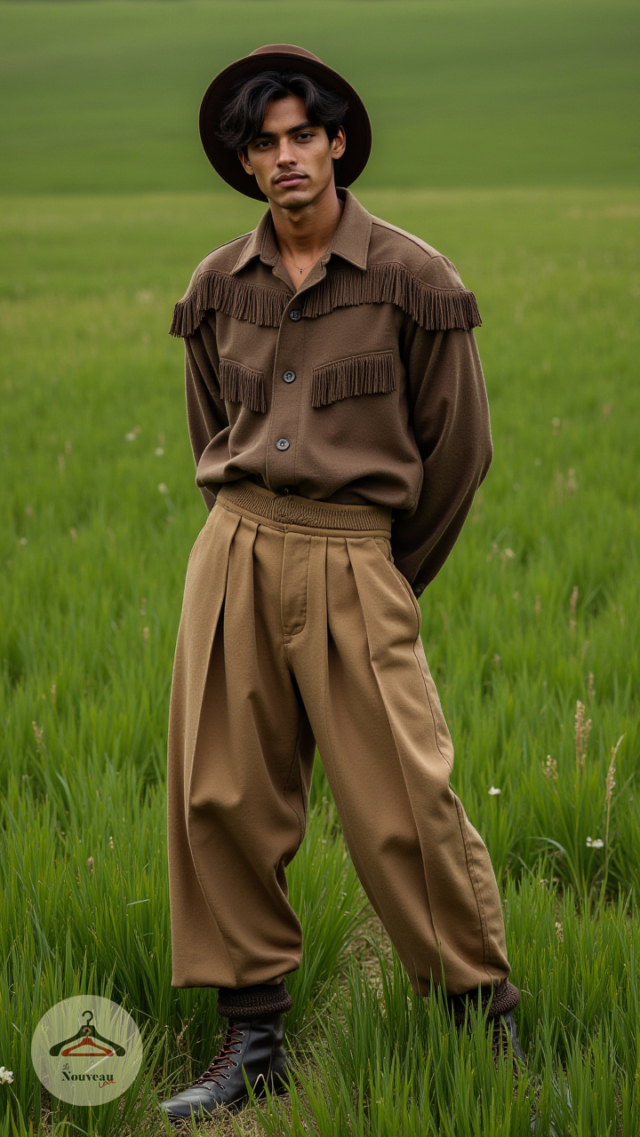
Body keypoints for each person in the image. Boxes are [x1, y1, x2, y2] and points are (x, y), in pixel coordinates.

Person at [159, 44, 524, 1126]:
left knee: (405, 806)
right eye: (262, 143)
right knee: (219, 797)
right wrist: (240, 546)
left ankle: (482, 1025)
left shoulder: (416, 278)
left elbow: (459, 454)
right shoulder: (214, 286)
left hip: (357, 556)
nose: (285, 158)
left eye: (299, 136)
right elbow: (205, 429)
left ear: (337, 144)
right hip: (232, 548)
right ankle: (253, 1043)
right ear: (246, 164)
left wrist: (382, 573)